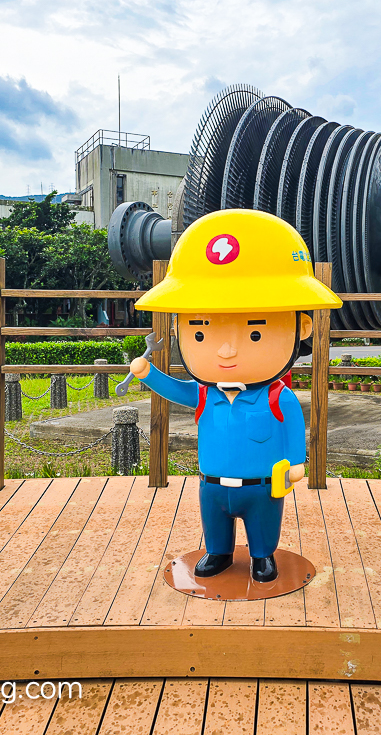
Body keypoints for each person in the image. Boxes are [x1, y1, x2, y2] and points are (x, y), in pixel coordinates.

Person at [129, 209, 341, 582]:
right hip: (212, 482)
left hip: (261, 485)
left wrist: (296, 461)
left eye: (255, 334)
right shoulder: (205, 395)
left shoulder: (278, 397)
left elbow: (295, 431)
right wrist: (149, 375)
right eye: (201, 333)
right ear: (178, 328)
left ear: (302, 326)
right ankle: (219, 553)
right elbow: (178, 390)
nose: (226, 351)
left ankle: (262, 557)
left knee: (263, 526)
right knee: (214, 523)